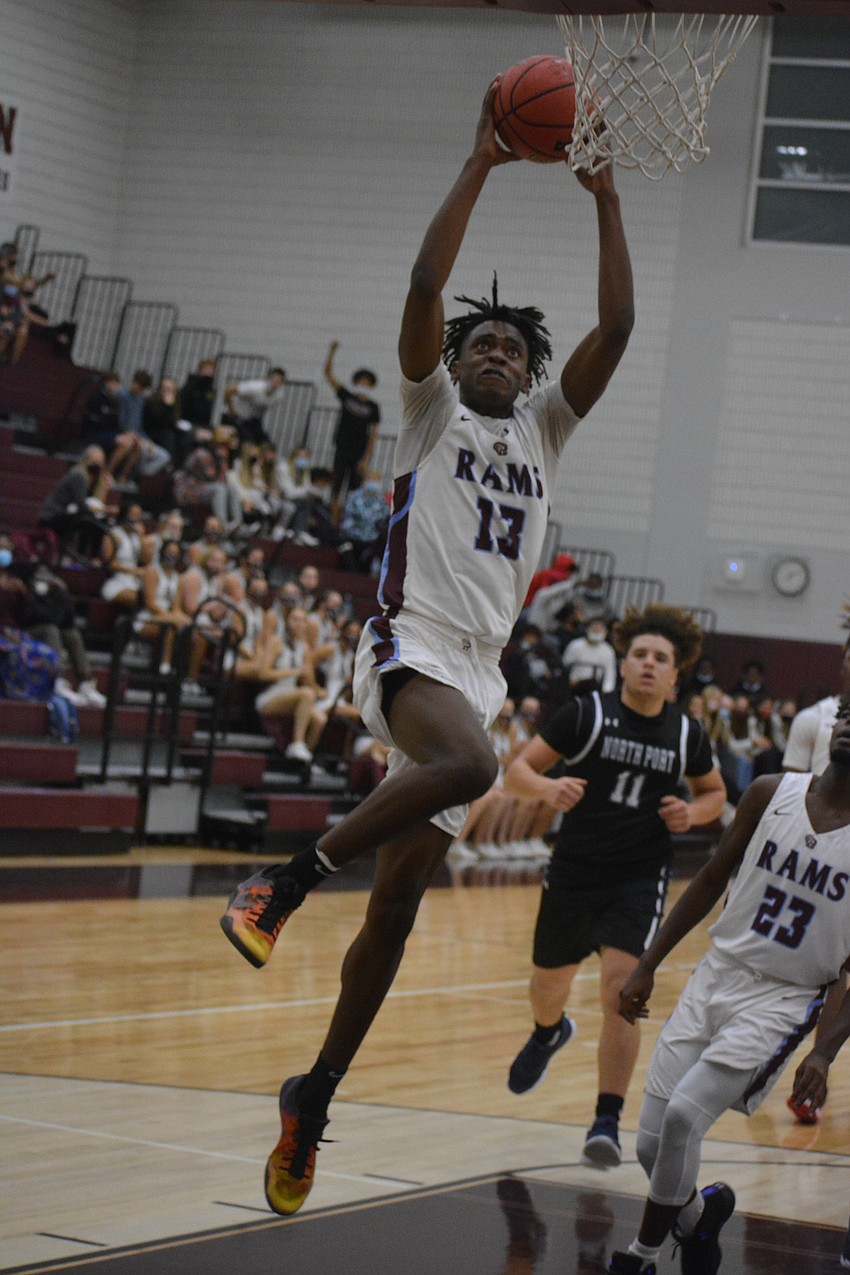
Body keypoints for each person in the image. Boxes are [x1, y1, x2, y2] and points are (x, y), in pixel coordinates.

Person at [218, 75, 634, 1217]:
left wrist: (603, 198)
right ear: (455, 363)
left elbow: (622, 327)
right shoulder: (428, 410)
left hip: (480, 673)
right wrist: (484, 162)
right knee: (460, 768)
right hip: (406, 646)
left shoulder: (546, 434)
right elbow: (423, 283)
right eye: (481, 344)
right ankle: (283, 882)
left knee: (398, 912)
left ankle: (316, 1094)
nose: (496, 353)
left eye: (512, 347)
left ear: (531, 373)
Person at [607, 701, 850, 1275]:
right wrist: (648, 963)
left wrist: (822, 1049)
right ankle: (701, 1216)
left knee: (685, 1119)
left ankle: (643, 1256)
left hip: (784, 997)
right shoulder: (772, 792)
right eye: (848, 717)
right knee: (649, 1146)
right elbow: (713, 876)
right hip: (716, 973)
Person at [503, 605, 725, 1168]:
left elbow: (715, 795)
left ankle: (606, 1118)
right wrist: (547, 792)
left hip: (638, 875)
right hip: (575, 870)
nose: (650, 665)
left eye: (662, 659)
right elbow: (517, 773)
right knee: (548, 983)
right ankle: (547, 1032)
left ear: (676, 676)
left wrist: (692, 814)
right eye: (641, 656)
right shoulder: (585, 715)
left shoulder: (686, 734)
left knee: (621, 990)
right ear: (623, 665)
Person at [781, 625, 850, 1125]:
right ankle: (802, 1065)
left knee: (840, 974)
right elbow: (790, 791)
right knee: (821, 973)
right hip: (814, 854)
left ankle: (816, 1065)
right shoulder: (814, 718)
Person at [324, 340, 381, 521]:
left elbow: (373, 434)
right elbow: (329, 375)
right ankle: (333, 522)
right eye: (361, 382)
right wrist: (332, 352)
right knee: (336, 487)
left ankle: (346, 525)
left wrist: (366, 458)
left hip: (358, 453)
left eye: (367, 383)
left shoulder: (373, 407)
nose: (363, 385)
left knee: (353, 491)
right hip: (342, 449)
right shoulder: (346, 397)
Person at [37, 446, 112, 562]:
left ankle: (88, 556)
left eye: (100, 461)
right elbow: (82, 505)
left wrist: (104, 487)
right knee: (89, 520)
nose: (97, 464)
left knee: (95, 520)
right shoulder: (78, 475)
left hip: (65, 513)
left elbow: (97, 503)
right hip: (52, 516)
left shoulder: (92, 479)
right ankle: (85, 556)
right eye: (94, 460)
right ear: (86, 460)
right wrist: (105, 510)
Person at [224, 367, 286, 444]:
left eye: (279, 381)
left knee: (265, 442)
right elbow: (229, 390)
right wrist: (231, 409)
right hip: (237, 416)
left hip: (253, 419)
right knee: (247, 441)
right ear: (268, 378)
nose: (276, 383)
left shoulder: (278, 395)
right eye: (274, 380)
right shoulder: (255, 387)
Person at [561, 615, 618, 693]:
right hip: (573, 687)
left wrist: (606, 694)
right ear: (588, 629)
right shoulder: (575, 645)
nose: (597, 630)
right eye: (594, 628)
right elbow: (564, 666)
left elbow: (610, 675)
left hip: (595, 688)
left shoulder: (608, 651)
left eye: (600, 628)